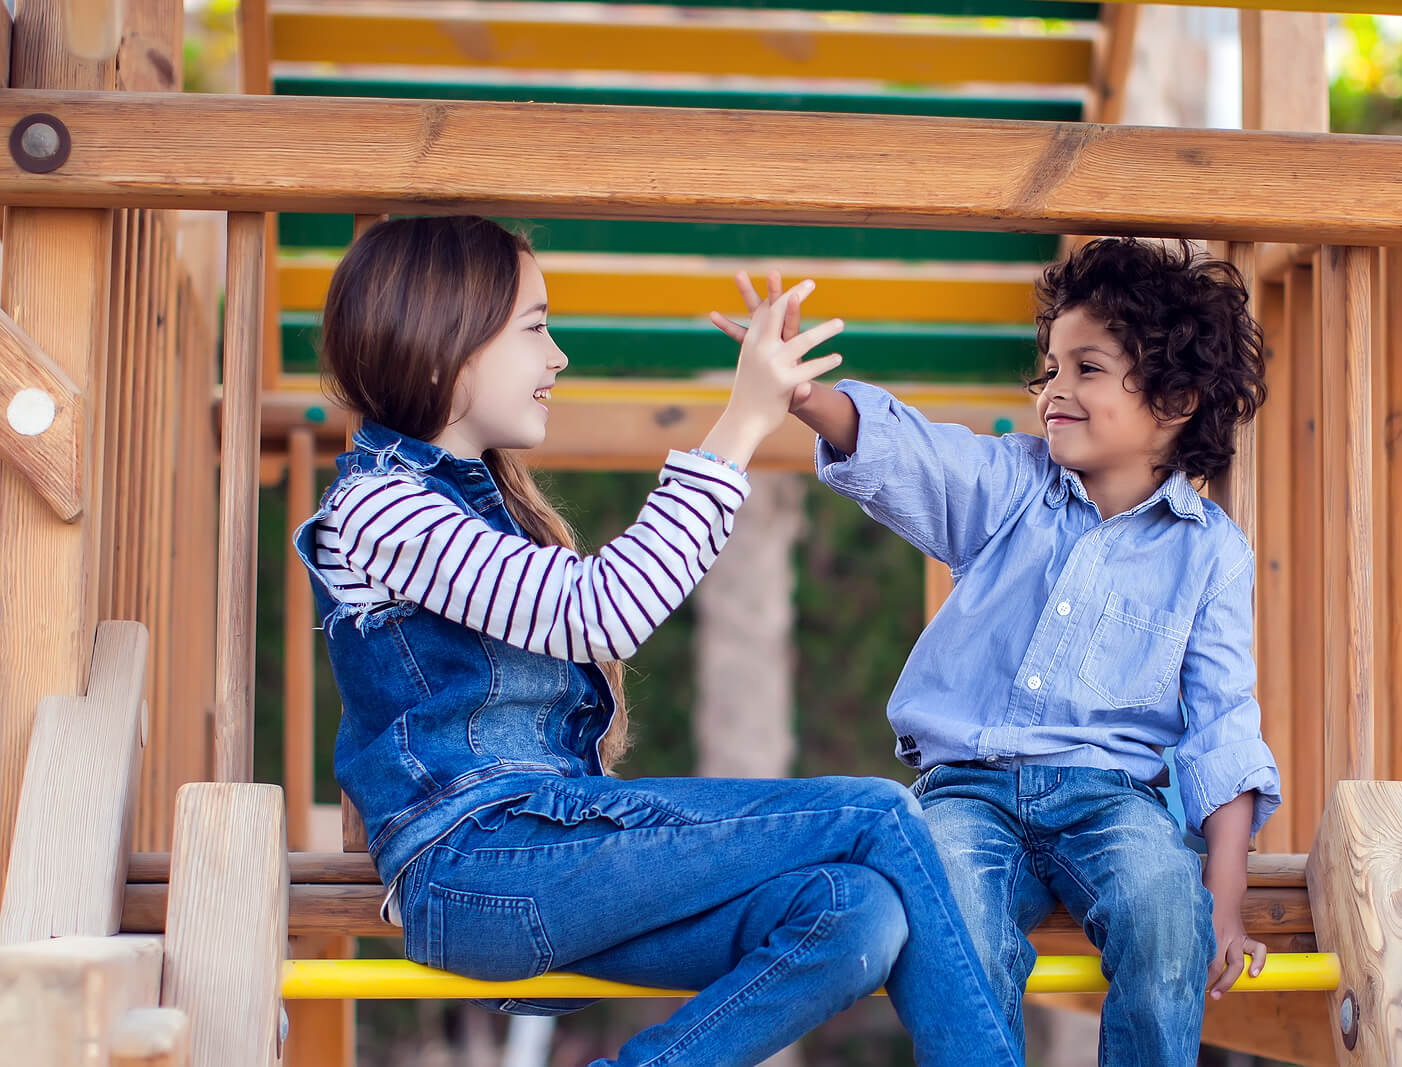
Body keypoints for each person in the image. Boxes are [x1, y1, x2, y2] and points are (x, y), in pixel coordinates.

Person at [293, 215, 1020, 1067]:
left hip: (542, 855)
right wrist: (742, 422)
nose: (557, 355)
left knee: (856, 909)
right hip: (482, 864)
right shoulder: (381, 507)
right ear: (439, 343)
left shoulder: (471, 501)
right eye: (535, 326)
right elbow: (602, 610)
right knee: (879, 812)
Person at [718, 239, 1281, 1065]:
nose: (1055, 390)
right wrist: (800, 393)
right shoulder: (1009, 485)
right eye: (1050, 367)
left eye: (1087, 368)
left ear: (1177, 398)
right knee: (951, 920)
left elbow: (1225, 729)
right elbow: (910, 452)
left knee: (1166, 907)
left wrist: (1222, 902)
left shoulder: (1212, 556)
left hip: (1110, 798)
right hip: (966, 791)